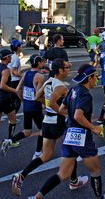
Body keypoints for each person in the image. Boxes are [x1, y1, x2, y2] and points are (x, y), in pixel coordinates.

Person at [25, 64, 105, 199]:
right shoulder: (86, 95)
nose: (96, 79)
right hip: (82, 137)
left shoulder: (73, 89)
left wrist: (73, 114)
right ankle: (100, 197)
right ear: (89, 78)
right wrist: (94, 127)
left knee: (63, 174)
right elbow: (78, 115)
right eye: (95, 76)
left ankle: (37, 196)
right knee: (95, 171)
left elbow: (61, 109)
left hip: (68, 136)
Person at [11, 58, 88, 196]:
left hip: (46, 121)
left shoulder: (48, 82)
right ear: (60, 70)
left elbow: (37, 97)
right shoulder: (60, 86)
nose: (68, 69)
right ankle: (74, 181)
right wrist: (64, 113)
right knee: (71, 152)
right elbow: (52, 102)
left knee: (45, 156)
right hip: (57, 124)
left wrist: (50, 106)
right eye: (66, 67)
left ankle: (21, 176)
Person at [1, 54, 47, 158]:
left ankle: (10, 141)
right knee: (42, 130)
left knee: (27, 131)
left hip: (26, 107)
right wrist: (45, 103)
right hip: (35, 107)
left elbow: (17, 90)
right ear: (39, 63)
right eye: (42, 62)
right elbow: (38, 95)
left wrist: (23, 100)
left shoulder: (25, 74)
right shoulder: (40, 77)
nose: (43, 64)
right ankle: (37, 153)